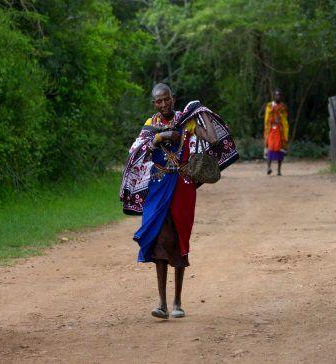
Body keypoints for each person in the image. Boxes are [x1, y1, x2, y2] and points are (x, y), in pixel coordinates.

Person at [120, 83, 238, 320]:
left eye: (166, 100)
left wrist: (200, 111)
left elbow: (213, 140)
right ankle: (162, 303)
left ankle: (177, 302)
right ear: (154, 103)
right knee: (159, 240)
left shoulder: (188, 121)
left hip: (183, 188)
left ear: (173, 99)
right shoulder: (150, 125)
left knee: (179, 240)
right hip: (157, 186)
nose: (163, 104)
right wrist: (161, 136)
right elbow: (137, 150)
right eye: (158, 101)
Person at [264, 89, 290, 176]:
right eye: (276, 95)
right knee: (270, 148)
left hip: (280, 131)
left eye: (279, 95)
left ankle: (279, 170)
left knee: (280, 149)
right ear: (273, 96)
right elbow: (267, 118)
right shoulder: (269, 106)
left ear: (281, 97)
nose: (277, 97)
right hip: (271, 130)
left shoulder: (283, 107)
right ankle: (268, 168)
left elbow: (284, 119)